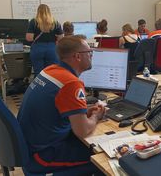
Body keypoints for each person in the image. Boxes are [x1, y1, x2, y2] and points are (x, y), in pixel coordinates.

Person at [17, 35, 105, 175]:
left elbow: (54, 109)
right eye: (89, 52)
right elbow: (82, 131)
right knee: (102, 158)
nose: (91, 56)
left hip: (31, 145)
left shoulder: (49, 70)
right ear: (77, 56)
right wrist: (95, 116)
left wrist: (83, 112)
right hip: (43, 155)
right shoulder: (71, 83)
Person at [26, 4, 63, 75]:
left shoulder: (33, 22)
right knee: (52, 73)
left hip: (38, 48)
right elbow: (61, 38)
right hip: (52, 48)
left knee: (38, 73)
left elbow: (29, 38)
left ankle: (39, 85)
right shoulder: (55, 22)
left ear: (38, 11)